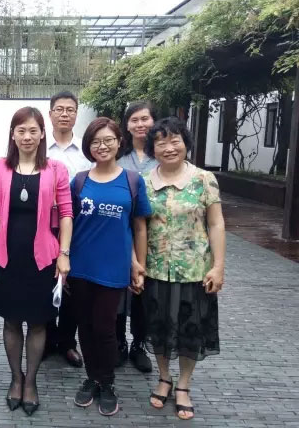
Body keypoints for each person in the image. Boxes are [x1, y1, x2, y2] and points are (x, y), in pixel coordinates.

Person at [0, 107, 73, 416]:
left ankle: (31, 381)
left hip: (43, 258)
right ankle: (15, 378)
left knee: (38, 322)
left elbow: (66, 214)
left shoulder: (56, 169)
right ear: (13, 134)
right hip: (8, 256)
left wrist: (63, 254)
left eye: (33, 130)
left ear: (42, 133)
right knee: (11, 321)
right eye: (21, 130)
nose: (27, 136)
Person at [143, 117, 225, 421]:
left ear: (186, 143)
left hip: (194, 270)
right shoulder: (144, 181)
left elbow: (216, 223)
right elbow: (139, 227)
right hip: (155, 269)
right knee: (159, 326)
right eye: (161, 142)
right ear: (153, 148)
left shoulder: (204, 179)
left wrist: (218, 266)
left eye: (174, 140)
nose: (168, 147)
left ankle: (184, 386)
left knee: (192, 328)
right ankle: (164, 378)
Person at [69, 117, 151, 417]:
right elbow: (69, 223)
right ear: (89, 146)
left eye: (107, 140)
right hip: (80, 267)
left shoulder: (131, 180)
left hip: (114, 269)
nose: (101, 146)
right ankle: (91, 378)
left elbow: (139, 227)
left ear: (119, 142)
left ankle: (107, 382)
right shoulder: (79, 181)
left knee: (105, 329)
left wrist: (138, 265)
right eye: (95, 141)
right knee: (85, 327)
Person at [45, 91, 92, 368]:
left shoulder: (86, 152)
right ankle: (48, 338)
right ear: (50, 113)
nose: (64, 114)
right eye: (59, 109)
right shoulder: (41, 148)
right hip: (45, 228)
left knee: (73, 286)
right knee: (45, 283)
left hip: (79, 227)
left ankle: (67, 341)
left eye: (70, 110)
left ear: (76, 114)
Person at [115, 101, 159, 372]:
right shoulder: (119, 155)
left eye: (145, 119)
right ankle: (119, 342)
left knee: (144, 293)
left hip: (155, 235)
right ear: (127, 125)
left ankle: (140, 343)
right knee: (119, 291)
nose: (140, 124)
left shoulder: (163, 154)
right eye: (134, 120)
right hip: (121, 232)